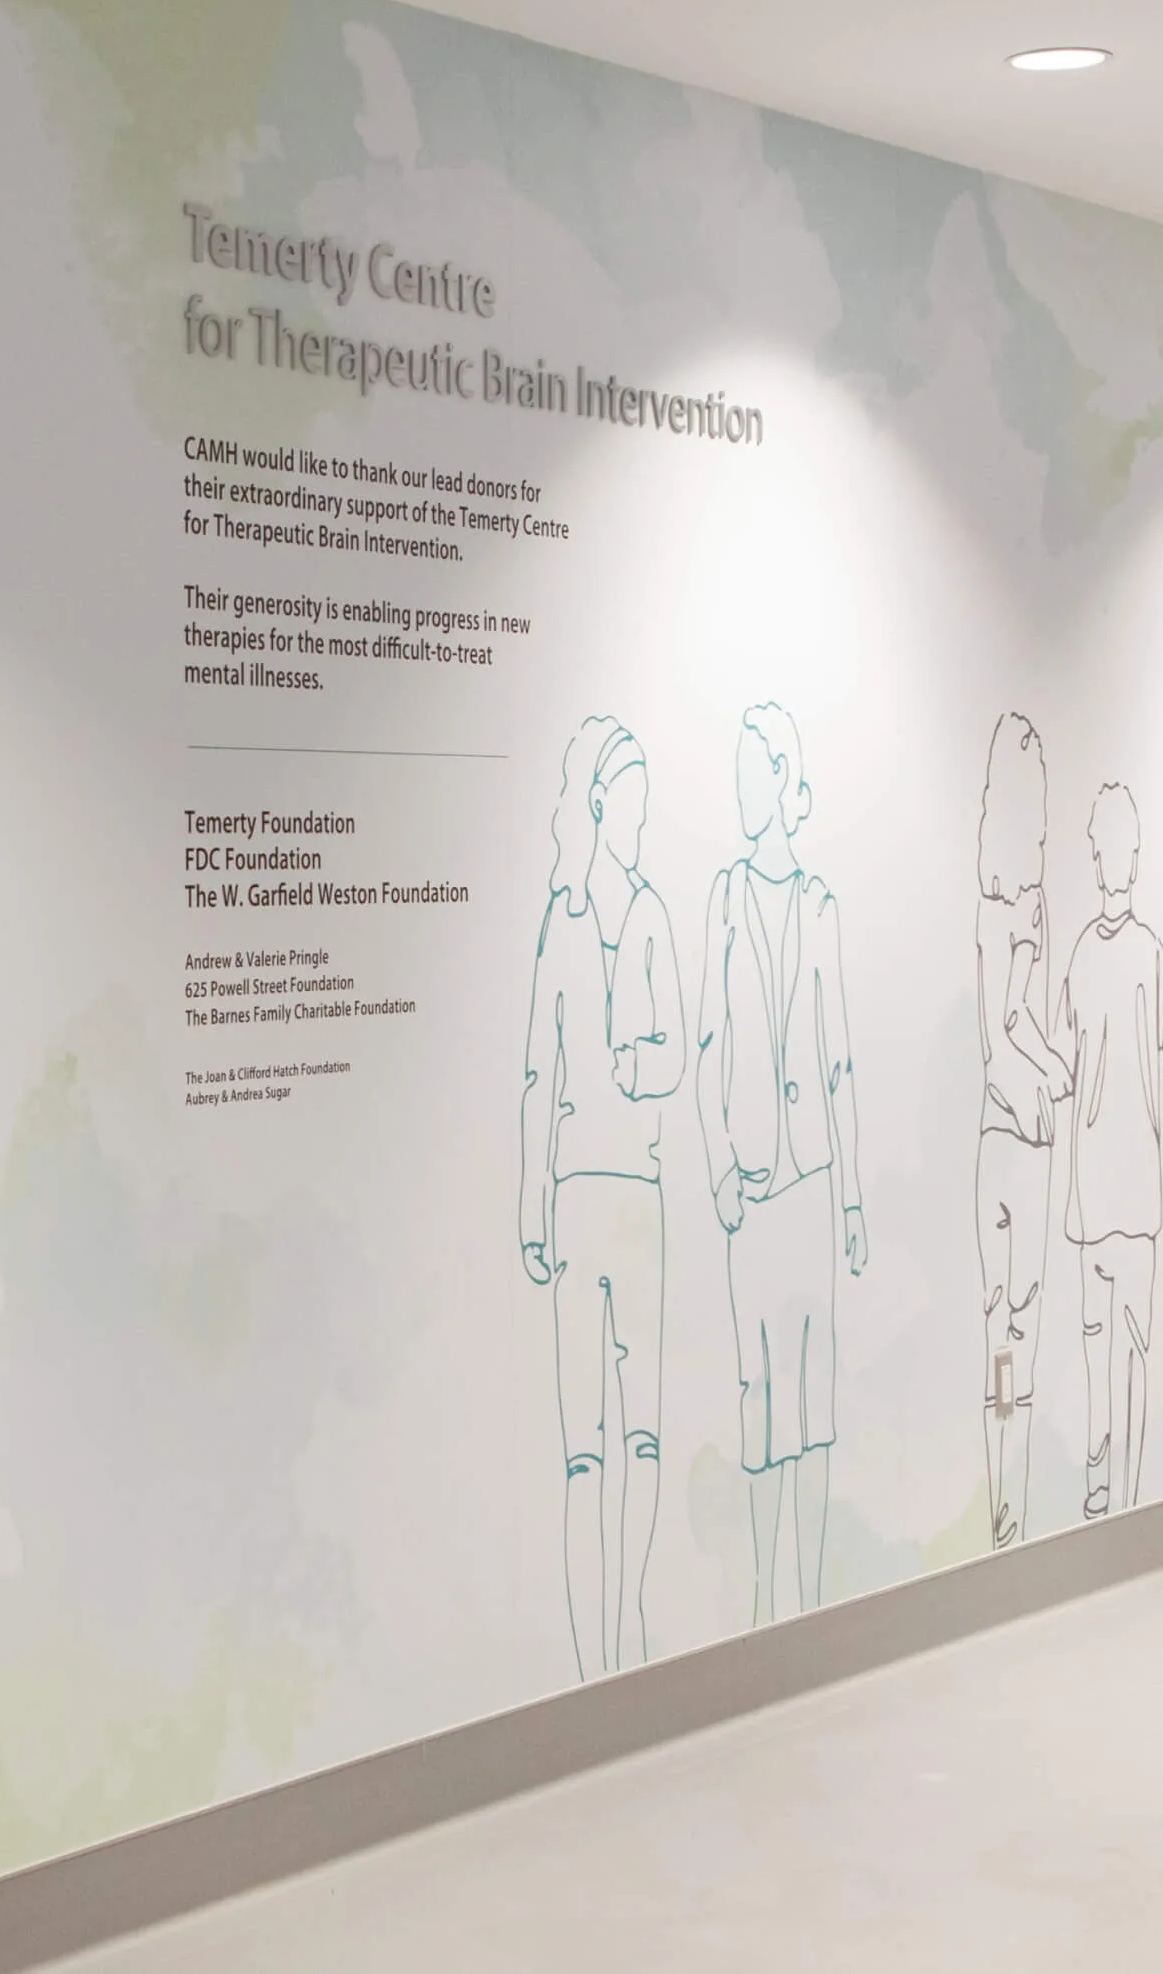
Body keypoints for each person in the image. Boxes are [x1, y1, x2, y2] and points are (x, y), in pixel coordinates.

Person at [520, 718, 685, 1677]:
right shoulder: (565, 921)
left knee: (645, 1435)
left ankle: (631, 1632)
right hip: (579, 1197)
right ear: (598, 805)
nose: (640, 819)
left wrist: (643, 1061)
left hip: (640, 1197)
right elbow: (537, 1073)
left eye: (645, 806)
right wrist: (530, 1205)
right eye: (629, 803)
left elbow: (678, 1048)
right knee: (583, 1450)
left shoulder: (653, 916)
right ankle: (592, 1663)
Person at [696, 704, 866, 1624]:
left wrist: (853, 1201)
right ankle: (766, 1597)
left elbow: (839, 1058)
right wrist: (720, 1166)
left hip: (811, 1183)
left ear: (782, 782)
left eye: (753, 772)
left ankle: (810, 1591)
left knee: (814, 1396)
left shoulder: (820, 906)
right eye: (737, 773)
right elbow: (707, 1047)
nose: (741, 788)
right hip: (752, 1196)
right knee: (759, 1392)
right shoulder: (725, 898)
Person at [1057, 784, 1163, 1520]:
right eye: (1103, 849)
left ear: (1130, 859)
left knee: (1125, 1341)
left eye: (1116, 849)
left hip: (1131, 1188)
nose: (1110, 862)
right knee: (1100, 1342)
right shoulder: (1087, 956)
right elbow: (1063, 1054)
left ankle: (1124, 1489)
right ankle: (1105, 1476)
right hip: (1098, 1191)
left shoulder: (1145, 955)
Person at [975, 715, 1072, 1549]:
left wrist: (1051, 1062)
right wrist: (1041, 1076)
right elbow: (999, 1032)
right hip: (1011, 1142)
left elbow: (1015, 1023)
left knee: (1016, 1331)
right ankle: (1004, 1512)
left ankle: (1012, 1516)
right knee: (1008, 1330)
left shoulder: (1022, 906)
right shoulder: (1004, 910)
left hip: (1017, 1142)